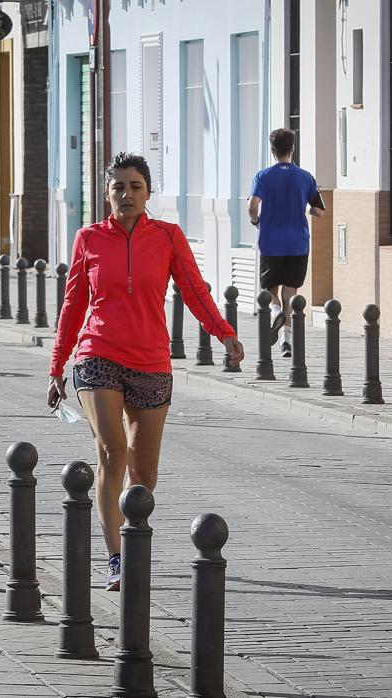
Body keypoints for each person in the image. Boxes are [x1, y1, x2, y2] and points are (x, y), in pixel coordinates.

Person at [47, 153, 244, 591]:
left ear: (148, 192)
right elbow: (73, 305)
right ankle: (117, 559)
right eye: (118, 186)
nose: (127, 194)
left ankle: (133, 540)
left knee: (144, 475)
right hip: (98, 356)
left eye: (135, 186)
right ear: (107, 193)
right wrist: (57, 365)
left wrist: (224, 333)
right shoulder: (89, 239)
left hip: (151, 362)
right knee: (112, 452)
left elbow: (194, 290)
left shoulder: (169, 237)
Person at [247, 128, 325, 357]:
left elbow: (252, 206)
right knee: (290, 291)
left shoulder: (263, 176)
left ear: (273, 150)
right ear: (292, 149)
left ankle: (274, 312)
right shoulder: (305, 177)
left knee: (270, 289)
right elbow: (319, 211)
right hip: (298, 243)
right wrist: (307, 208)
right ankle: (286, 341)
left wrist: (256, 221)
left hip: (271, 241)